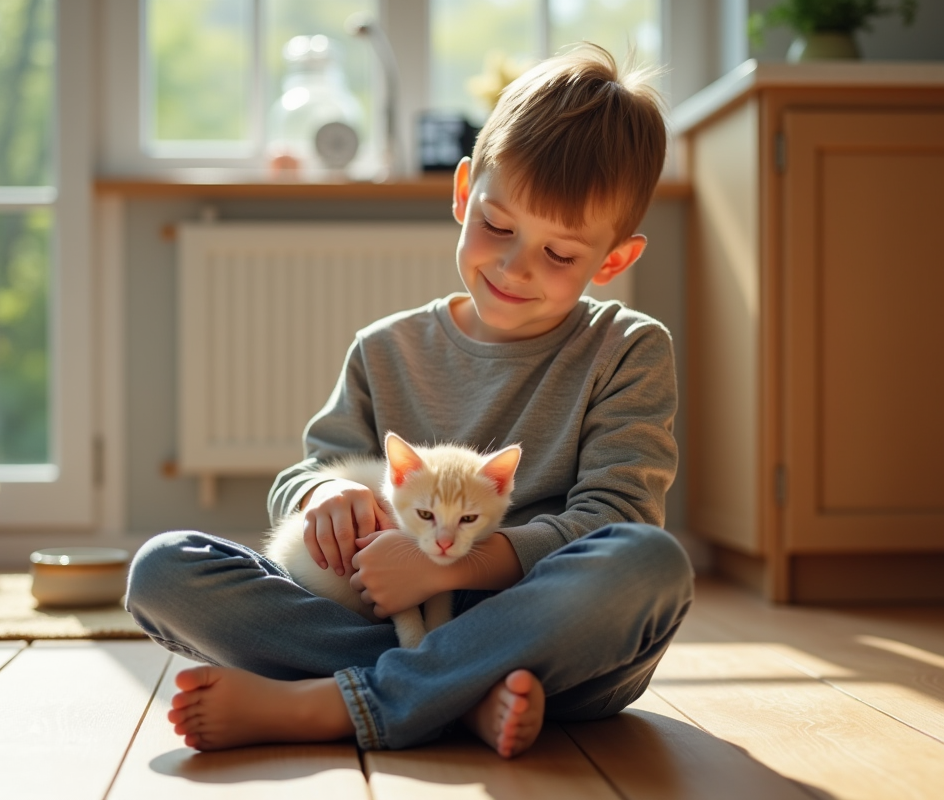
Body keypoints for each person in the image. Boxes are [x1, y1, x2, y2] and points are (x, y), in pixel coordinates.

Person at [125, 42, 693, 760]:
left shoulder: (629, 349)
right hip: (406, 626)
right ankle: (458, 693)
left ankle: (342, 700)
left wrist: (453, 568)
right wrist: (325, 497)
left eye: (559, 254)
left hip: (549, 635)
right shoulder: (383, 349)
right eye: (498, 225)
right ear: (463, 193)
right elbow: (307, 474)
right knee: (164, 569)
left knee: (649, 564)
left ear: (612, 260)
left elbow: (617, 516)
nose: (515, 266)